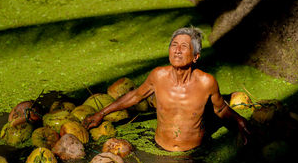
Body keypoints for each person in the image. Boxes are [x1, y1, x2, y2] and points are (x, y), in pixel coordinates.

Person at [83, 26, 250, 152]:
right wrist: (101, 113)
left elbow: (220, 108)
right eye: (174, 45)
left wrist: (240, 122)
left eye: (184, 46)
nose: (177, 50)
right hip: (159, 149)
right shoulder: (158, 76)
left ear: (195, 56)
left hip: (194, 153)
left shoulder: (207, 82)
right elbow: (134, 96)